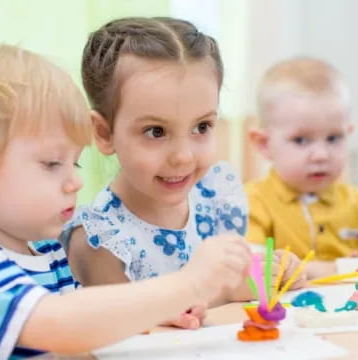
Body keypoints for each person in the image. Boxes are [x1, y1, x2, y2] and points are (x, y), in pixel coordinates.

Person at [0, 43, 254, 359]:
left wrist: (155, 311)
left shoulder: (43, 251)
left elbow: (84, 324)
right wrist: (188, 283)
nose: (76, 181)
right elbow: (60, 326)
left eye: (74, 162)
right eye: (52, 164)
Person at [61, 16, 305, 330]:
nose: (183, 156)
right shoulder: (100, 240)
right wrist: (228, 288)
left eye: (201, 127)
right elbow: (125, 332)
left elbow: (242, 275)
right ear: (104, 132)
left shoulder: (213, 199)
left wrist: (275, 271)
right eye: (155, 131)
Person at [246, 57, 358, 279]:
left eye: (334, 138)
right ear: (264, 144)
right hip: (285, 313)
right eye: (301, 140)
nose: (321, 155)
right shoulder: (252, 204)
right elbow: (254, 271)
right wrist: (339, 268)